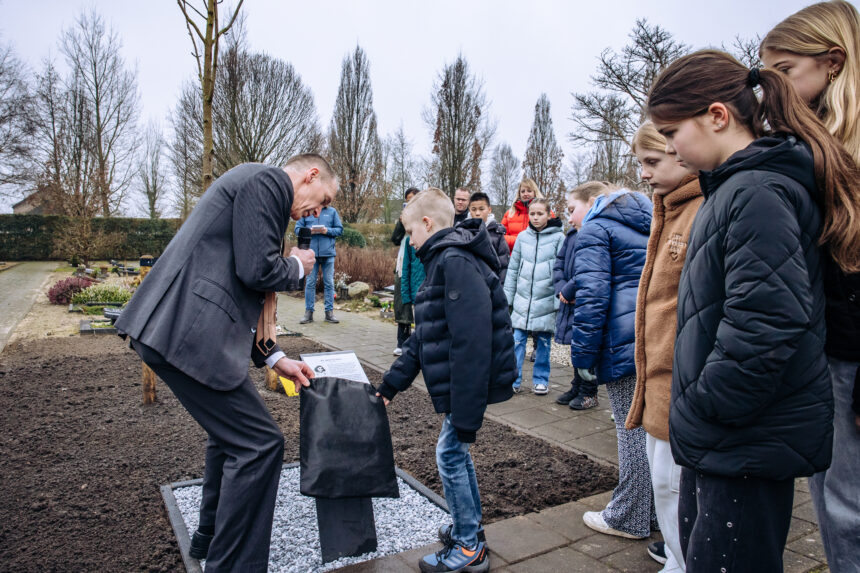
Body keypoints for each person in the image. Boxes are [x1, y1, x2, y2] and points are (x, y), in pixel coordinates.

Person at [647, 50, 849, 571]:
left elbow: (768, 322)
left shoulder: (757, 191)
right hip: (728, 438)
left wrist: (706, 406)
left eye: (672, 132)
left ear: (717, 116)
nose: (669, 146)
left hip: (741, 438)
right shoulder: (734, 188)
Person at [115, 154, 337, 572]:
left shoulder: (254, 184)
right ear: (309, 175)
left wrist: (275, 358)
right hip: (189, 335)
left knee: (231, 438)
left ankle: (209, 539)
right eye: (322, 198)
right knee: (260, 446)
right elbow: (256, 271)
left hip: (183, 333)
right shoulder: (269, 181)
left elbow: (236, 279)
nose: (319, 211)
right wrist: (297, 266)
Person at [761, 6, 860, 570]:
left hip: (852, 359)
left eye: (786, 69)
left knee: (847, 505)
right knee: (826, 495)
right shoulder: (814, 144)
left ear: (833, 62)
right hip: (825, 353)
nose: (775, 86)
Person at [375, 188, 516, 573]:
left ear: (427, 223)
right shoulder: (442, 260)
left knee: (450, 455)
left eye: (409, 232)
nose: (409, 240)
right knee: (454, 453)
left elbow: (472, 341)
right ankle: (469, 529)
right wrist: (392, 384)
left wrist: (467, 410)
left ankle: (469, 544)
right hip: (460, 382)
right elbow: (427, 335)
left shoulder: (453, 262)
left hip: (466, 382)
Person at [623, 121, 702, 572]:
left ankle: (683, 562)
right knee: (664, 483)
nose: (645, 174)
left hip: (680, 381)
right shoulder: (669, 206)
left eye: (651, 162)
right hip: (659, 380)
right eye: (641, 165)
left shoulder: (702, 206)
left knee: (675, 487)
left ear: (679, 152)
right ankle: (676, 557)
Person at [571, 184, 654, 540]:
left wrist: (583, 356)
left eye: (571, 207)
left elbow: (592, 295)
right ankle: (652, 513)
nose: (569, 216)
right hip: (654, 336)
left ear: (593, 203)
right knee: (652, 431)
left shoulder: (596, 228)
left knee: (630, 429)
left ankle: (627, 517)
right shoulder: (647, 222)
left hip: (622, 343)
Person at [503, 198, 565, 395]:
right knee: (518, 340)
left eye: (540, 213)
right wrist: (508, 297)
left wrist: (557, 300)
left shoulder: (558, 238)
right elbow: (513, 269)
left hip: (545, 299)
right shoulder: (522, 237)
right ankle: (514, 379)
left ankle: (541, 379)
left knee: (544, 342)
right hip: (523, 299)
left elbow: (560, 270)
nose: (536, 217)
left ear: (549, 214)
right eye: (533, 213)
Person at [295, 204, 343, 324]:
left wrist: (327, 230)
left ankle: (329, 313)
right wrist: (308, 231)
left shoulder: (332, 211)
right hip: (311, 255)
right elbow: (297, 229)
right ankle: (308, 313)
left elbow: (340, 229)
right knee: (310, 283)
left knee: (329, 283)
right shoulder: (307, 211)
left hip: (328, 254)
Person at [391, 187, 420, 355]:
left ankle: (418, 341)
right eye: (408, 200)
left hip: (418, 262)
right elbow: (395, 239)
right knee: (402, 301)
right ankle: (402, 341)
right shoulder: (403, 220)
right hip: (403, 263)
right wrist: (401, 222)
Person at [468, 191, 510, 283]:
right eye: (473, 209)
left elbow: (503, 265)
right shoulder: (465, 232)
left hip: (491, 284)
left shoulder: (497, 234)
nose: (477, 213)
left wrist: (500, 287)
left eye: (481, 209)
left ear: (489, 209)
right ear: (469, 210)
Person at [500, 178, 542, 251]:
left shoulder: (545, 212)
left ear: (535, 192)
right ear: (519, 194)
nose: (525, 194)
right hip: (513, 256)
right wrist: (520, 241)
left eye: (529, 191)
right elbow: (501, 236)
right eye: (523, 191)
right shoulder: (510, 213)